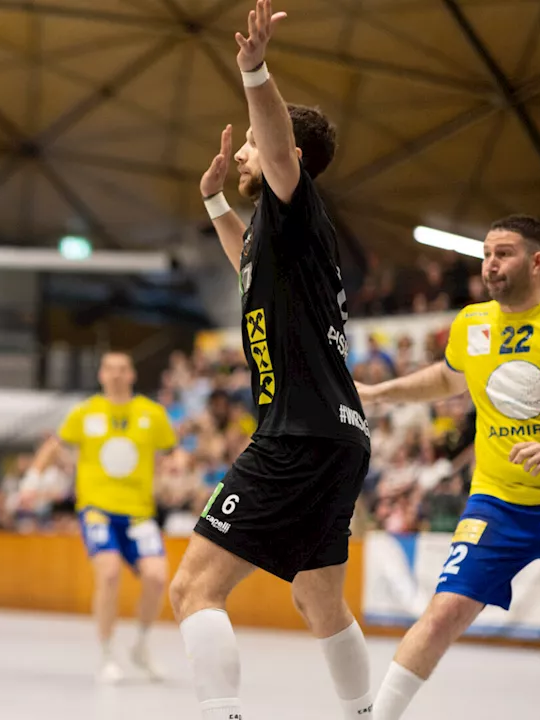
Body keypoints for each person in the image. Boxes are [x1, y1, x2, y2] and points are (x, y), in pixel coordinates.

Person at [166, 2, 375, 718]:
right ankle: (364, 714)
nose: (250, 150)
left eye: (256, 143)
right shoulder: (276, 240)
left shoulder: (296, 199)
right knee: (317, 594)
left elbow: (281, 147)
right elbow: (245, 267)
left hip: (298, 435)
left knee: (194, 589)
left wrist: (255, 68)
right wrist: (215, 199)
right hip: (338, 436)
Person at [356, 214, 540, 720]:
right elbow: (447, 378)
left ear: (537, 261)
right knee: (442, 614)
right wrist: (381, 393)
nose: (490, 264)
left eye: (503, 253)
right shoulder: (473, 324)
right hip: (499, 502)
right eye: (486, 254)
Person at [21, 351, 175, 683]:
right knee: (107, 573)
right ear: (102, 375)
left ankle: (142, 645)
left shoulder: (152, 414)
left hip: (139, 514)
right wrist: (32, 481)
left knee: (157, 577)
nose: (117, 375)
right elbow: (52, 447)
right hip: (97, 509)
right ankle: (107, 654)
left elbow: (172, 450)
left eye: (123, 369)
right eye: (110, 369)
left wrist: (177, 463)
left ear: (132, 374)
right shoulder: (85, 413)